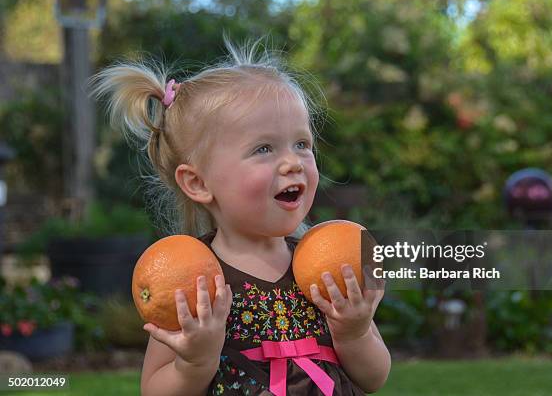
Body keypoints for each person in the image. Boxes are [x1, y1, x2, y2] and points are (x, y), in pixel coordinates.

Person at [89, 37, 390, 396]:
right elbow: (154, 389)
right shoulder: (193, 279)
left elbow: (374, 378)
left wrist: (354, 332)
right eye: (264, 148)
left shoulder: (325, 265)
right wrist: (194, 362)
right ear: (198, 182)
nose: (294, 162)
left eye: (302, 144)